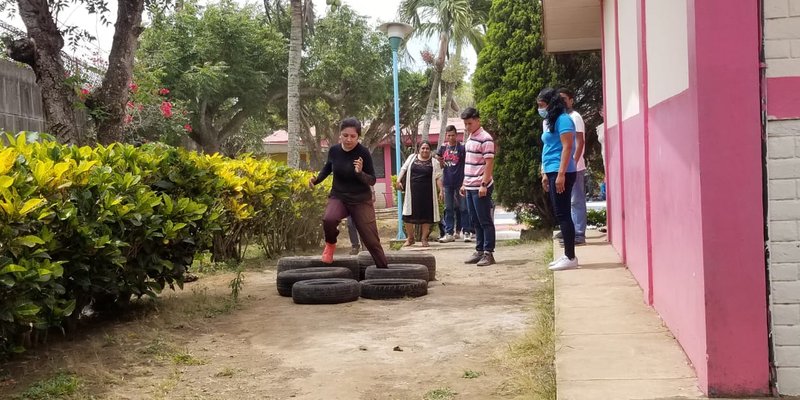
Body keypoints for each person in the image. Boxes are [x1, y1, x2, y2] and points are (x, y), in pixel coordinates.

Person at [309, 117, 388, 268]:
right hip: (339, 196)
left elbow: (372, 180)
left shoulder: (363, 153)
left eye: (353, 136)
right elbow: (328, 168)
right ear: (340, 135)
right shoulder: (334, 150)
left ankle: (384, 269)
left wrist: (359, 172)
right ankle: (330, 244)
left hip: (360, 200)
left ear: (358, 137)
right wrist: (316, 180)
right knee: (329, 219)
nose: (348, 139)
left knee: (371, 239)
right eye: (345, 135)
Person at [537, 88, 579, 271]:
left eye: (542, 105)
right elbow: (548, 147)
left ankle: (570, 257)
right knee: (560, 213)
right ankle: (567, 255)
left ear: (551, 103)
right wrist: (546, 172)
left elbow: (567, 147)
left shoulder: (564, 120)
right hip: (552, 170)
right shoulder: (552, 121)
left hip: (563, 171)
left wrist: (561, 174)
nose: (540, 109)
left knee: (563, 214)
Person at [459, 107, 496, 267]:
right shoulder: (470, 138)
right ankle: (479, 250)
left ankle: (489, 253)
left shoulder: (485, 138)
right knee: (475, 220)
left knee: (484, 220)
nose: (467, 127)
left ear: (478, 120)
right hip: (469, 185)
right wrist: (464, 183)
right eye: (466, 124)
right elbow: (469, 163)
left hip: (481, 186)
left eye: (470, 123)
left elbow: (489, 163)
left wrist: (483, 184)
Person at [396, 141, 444, 247]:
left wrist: (441, 190)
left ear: (430, 150)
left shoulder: (434, 162)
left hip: (428, 194)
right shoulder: (412, 158)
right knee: (407, 216)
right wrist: (398, 180)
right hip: (412, 193)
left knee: (426, 216)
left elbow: (438, 177)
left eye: (427, 148)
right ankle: (410, 238)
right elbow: (403, 169)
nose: (425, 150)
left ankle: (424, 239)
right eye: (423, 148)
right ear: (419, 149)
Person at [435, 125, 473, 243]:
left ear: (456, 135)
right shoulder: (443, 148)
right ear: (446, 135)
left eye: (453, 135)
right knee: (448, 208)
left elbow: (467, 164)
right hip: (447, 183)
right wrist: (439, 159)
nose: (450, 137)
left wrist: (465, 182)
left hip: (460, 182)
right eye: (449, 135)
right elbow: (440, 163)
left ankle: (466, 232)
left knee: (463, 208)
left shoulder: (462, 148)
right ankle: (449, 233)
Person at [559, 88, 587, 245]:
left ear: (571, 100)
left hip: (575, 167)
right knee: (569, 201)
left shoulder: (575, 117)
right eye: (559, 98)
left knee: (577, 200)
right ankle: (570, 231)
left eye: (565, 98)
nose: (562, 101)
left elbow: (580, 141)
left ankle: (579, 234)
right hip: (567, 167)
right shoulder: (563, 118)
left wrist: (574, 162)